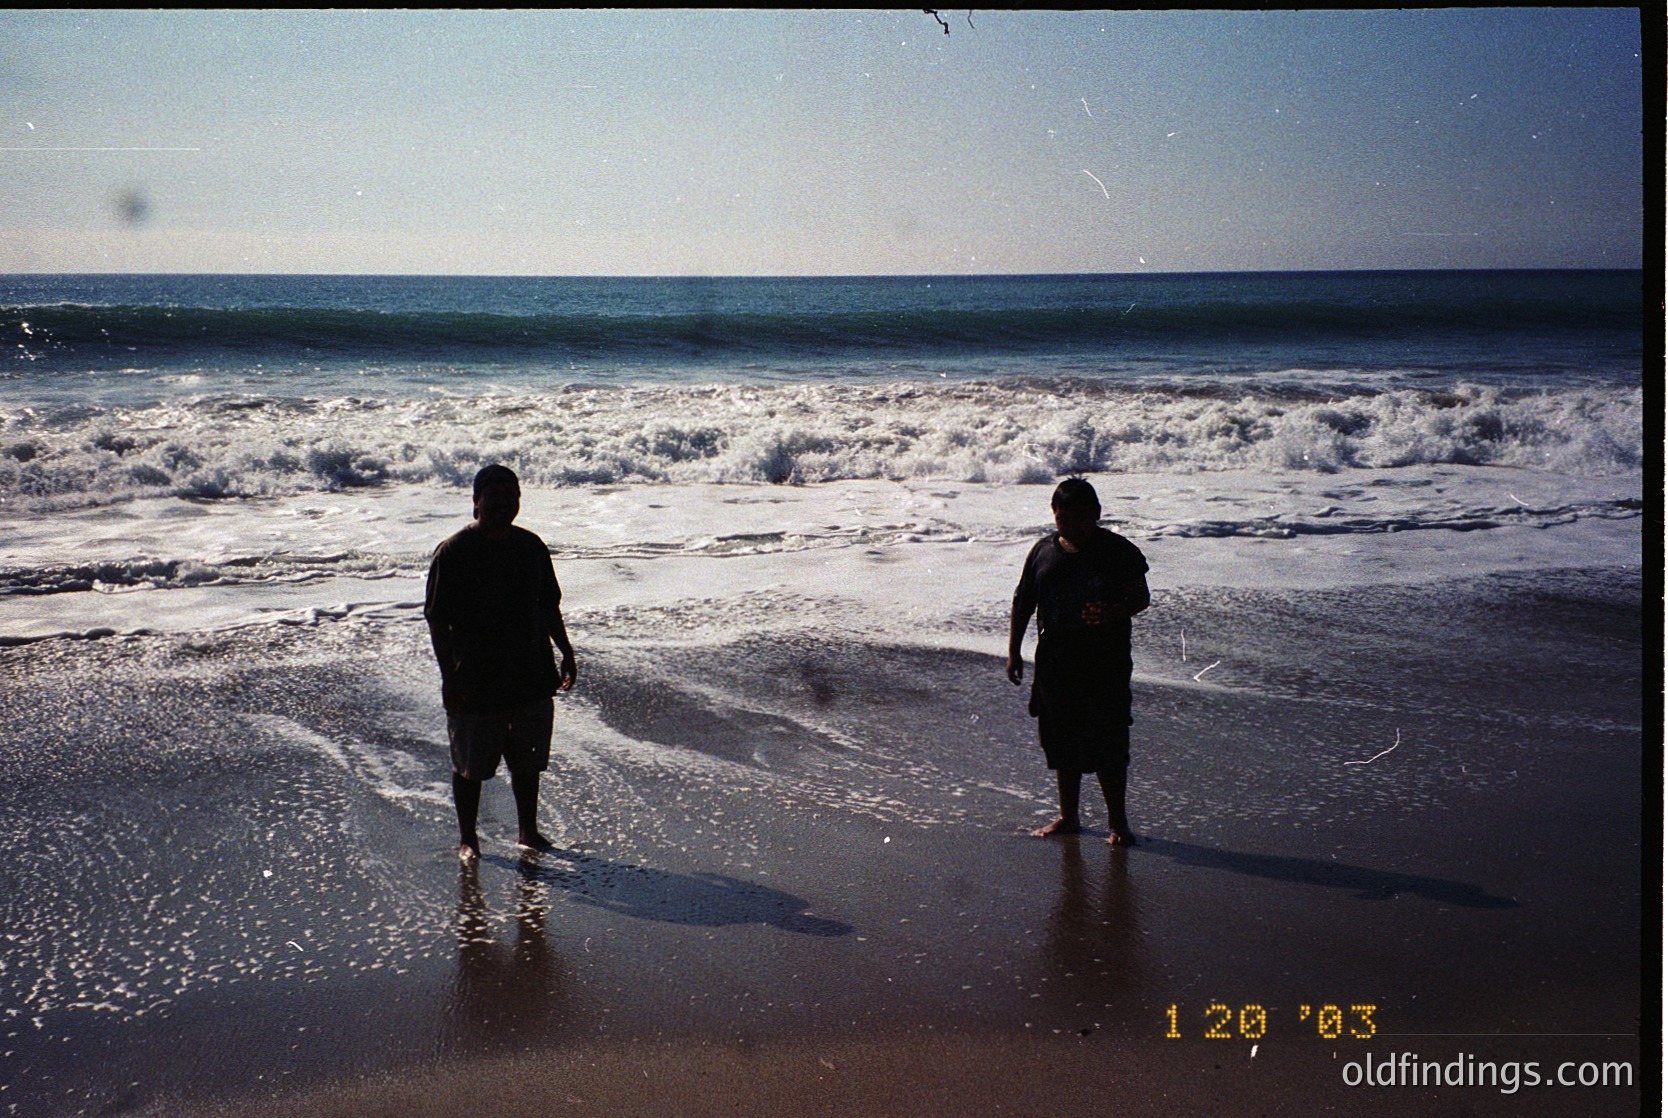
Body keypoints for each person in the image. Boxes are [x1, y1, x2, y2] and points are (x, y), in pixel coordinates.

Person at [425, 464, 577, 864]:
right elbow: (438, 621)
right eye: (492, 495)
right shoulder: (453, 552)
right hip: (475, 677)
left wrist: (566, 651)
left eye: (510, 495)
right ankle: (469, 839)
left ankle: (529, 830)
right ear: (475, 502)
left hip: (531, 671)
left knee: (528, 761)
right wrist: (448, 678)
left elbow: (549, 606)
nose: (502, 502)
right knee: (470, 766)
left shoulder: (531, 546)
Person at [1007, 477, 1149, 846]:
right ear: (1054, 515)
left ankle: (1118, 823)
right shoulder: (1043, 552)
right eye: (1063, 517)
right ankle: (1069, 816)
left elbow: (1141, 597)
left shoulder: (1118, 551)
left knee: (1109, 741)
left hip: (1105, 664)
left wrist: (1113, 611)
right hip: (1054, 664)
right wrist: (1013, 651)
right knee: (1060, 740)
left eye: (1080, 517)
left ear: (1097, 515)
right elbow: (1023, 602)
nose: (1071, 525)